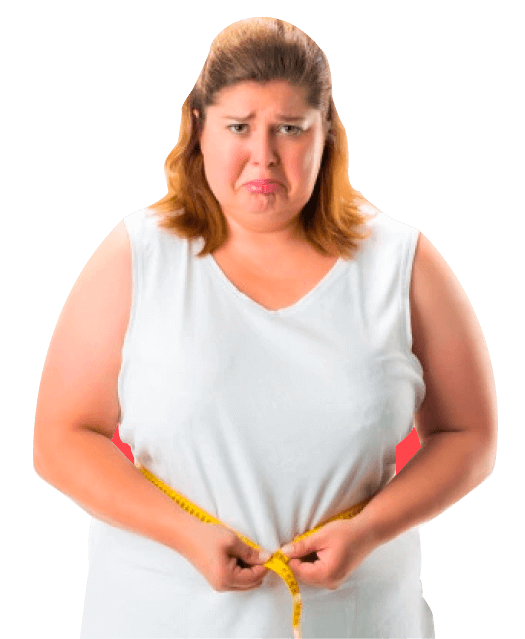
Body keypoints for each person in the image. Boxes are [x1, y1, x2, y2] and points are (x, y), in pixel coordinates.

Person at [33, 17, 497, 639]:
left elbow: (469, 434)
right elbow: (61, 438)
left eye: (289, 128)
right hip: (159, 619)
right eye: (239, 127)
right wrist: (186, 534)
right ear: (198, 128)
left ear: (326, 134)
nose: (264, 155)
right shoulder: (137, 255)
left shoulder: (401, 263)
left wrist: (367, 530)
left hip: (357, 622)